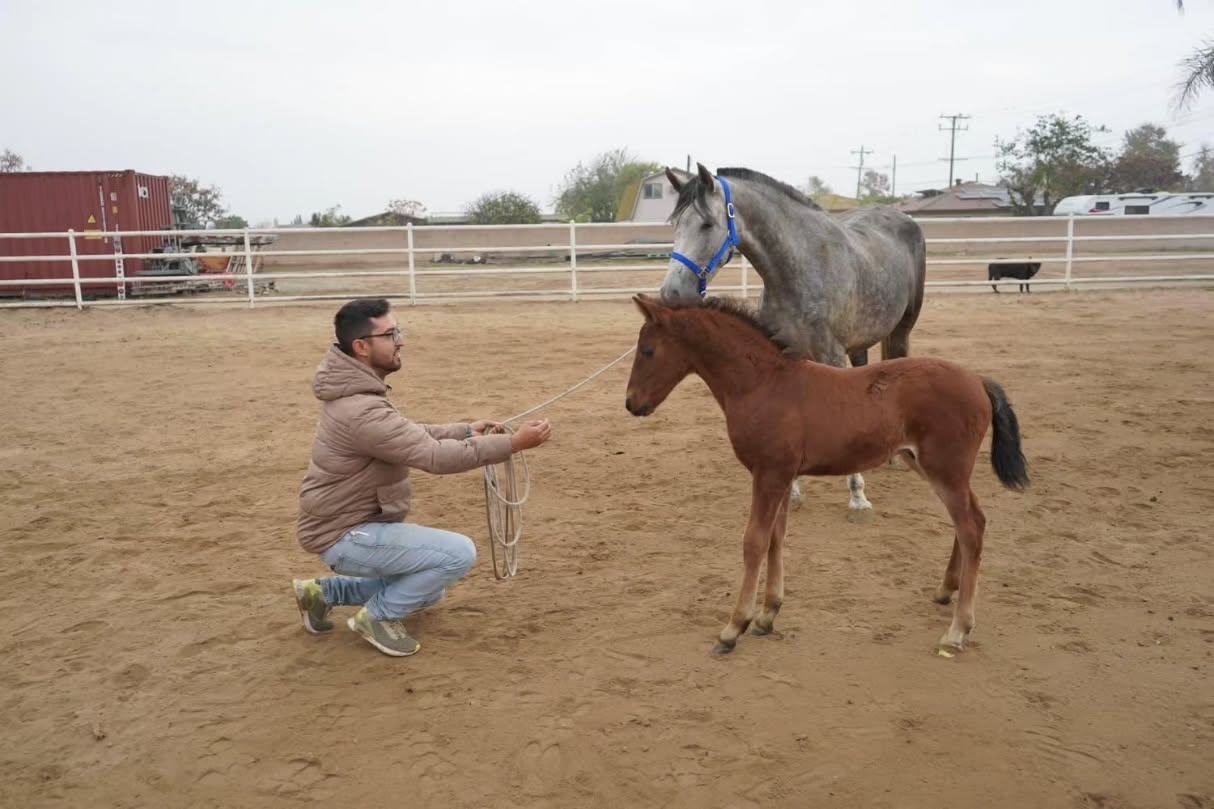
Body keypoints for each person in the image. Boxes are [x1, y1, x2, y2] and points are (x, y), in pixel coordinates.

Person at [291, 297, 552, 657]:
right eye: (391, 333)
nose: (401, 340)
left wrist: (465, 431)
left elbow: (411, 433)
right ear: (362, 347)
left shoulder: (358, 398)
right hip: (344, 535)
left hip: (348, 528)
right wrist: (512, 443)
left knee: (431, 586)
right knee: (457, 554)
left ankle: (324, 594)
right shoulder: (361, 409)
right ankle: (377, 618)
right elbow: (432, 456)